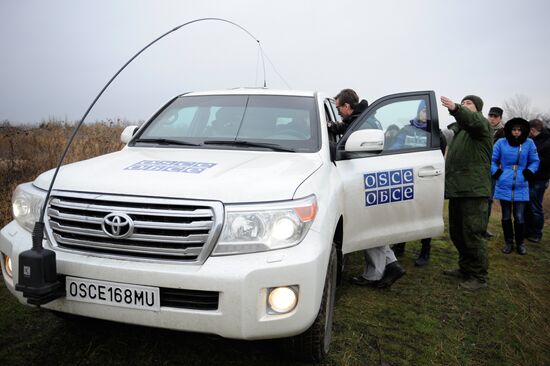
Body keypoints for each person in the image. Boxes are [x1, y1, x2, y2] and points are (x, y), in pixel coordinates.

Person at [333, 88, 406, 289]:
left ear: (347, 106)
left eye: (339, 107)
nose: (338, 111)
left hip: (365, 179)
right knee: (375, 224)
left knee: (367, 226)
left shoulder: (363, 123)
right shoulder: (363, 119)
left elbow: (355, 148)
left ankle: (374, 274)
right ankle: (392, 265)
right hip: (371, 178)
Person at [440, 95, 493, 290]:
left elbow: (472, 120)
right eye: (463, 103)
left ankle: (479, 276)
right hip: (458, 190)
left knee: (472, 234)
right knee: (457, 233)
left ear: (478, 109)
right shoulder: (460, 131)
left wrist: (455, 108)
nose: (464, 105)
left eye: (468, 103)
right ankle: (465, 268)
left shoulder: (481, 126)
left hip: (474, 190)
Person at [390, 100, 447, 266]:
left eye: (428, 112)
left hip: (426, 179)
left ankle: (425, 250)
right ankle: (400, 246)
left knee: (425, 214)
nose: (425, 114)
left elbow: (440, 154)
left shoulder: (436, 133)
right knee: (403, 212)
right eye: (423, 111)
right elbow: (395, 148)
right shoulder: (407, 129)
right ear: (418, 112)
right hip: (406, 178)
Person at [492, 118, 539, 254]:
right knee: (506, 216)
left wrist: (529, 172)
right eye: (514, 130)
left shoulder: (529, 143)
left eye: (519, 130)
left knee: (519, 216)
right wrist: (497, 173)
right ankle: (508, 242)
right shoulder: (501, 143)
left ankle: (520, 243)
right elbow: (492, 160)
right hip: (504, 183)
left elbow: (535, 161)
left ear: (523, 131)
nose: (516, 132)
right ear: (509, 130)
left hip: (521, 184)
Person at [525, 118, 549, 243]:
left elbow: (547, 162)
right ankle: (527, 231)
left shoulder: (548, 141)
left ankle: (536, 233)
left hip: (540, 179)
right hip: (529, 177)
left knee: (535, 207)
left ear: (533, 130)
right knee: (527, 205)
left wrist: (534, 157)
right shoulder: (532, 140)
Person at [485, 106, 506, 237]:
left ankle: (483, 227)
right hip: (479, 169)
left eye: (495, 117)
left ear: (500, 118)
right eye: (490, 116)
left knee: (488, 200)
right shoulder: (483, 128)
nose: (492, 119)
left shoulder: (504, 133)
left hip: (492, 171)